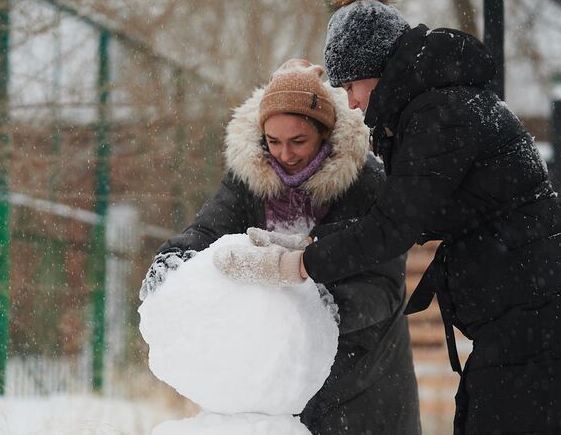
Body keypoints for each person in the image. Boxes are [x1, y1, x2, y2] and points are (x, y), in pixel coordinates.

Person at [214, 0, 561, 433]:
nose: (350, 102)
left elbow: (394, 226)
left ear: (378, 69)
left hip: (538, 320)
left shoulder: (441, 113)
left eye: (351, 85)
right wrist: (304, 241)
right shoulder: (438, 103)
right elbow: (399, 214)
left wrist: (294, 264)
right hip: (528, 316)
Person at [141, 59, 421, 434]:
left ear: (324, 132)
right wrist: (170, 263)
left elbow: (383, 287)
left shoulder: (365, 182)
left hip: (364, 381)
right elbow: (207, 231)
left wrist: (317, 310)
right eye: (274, 142)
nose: (285, 154)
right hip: (280, 388)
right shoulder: (250, 178)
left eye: (298, 141)